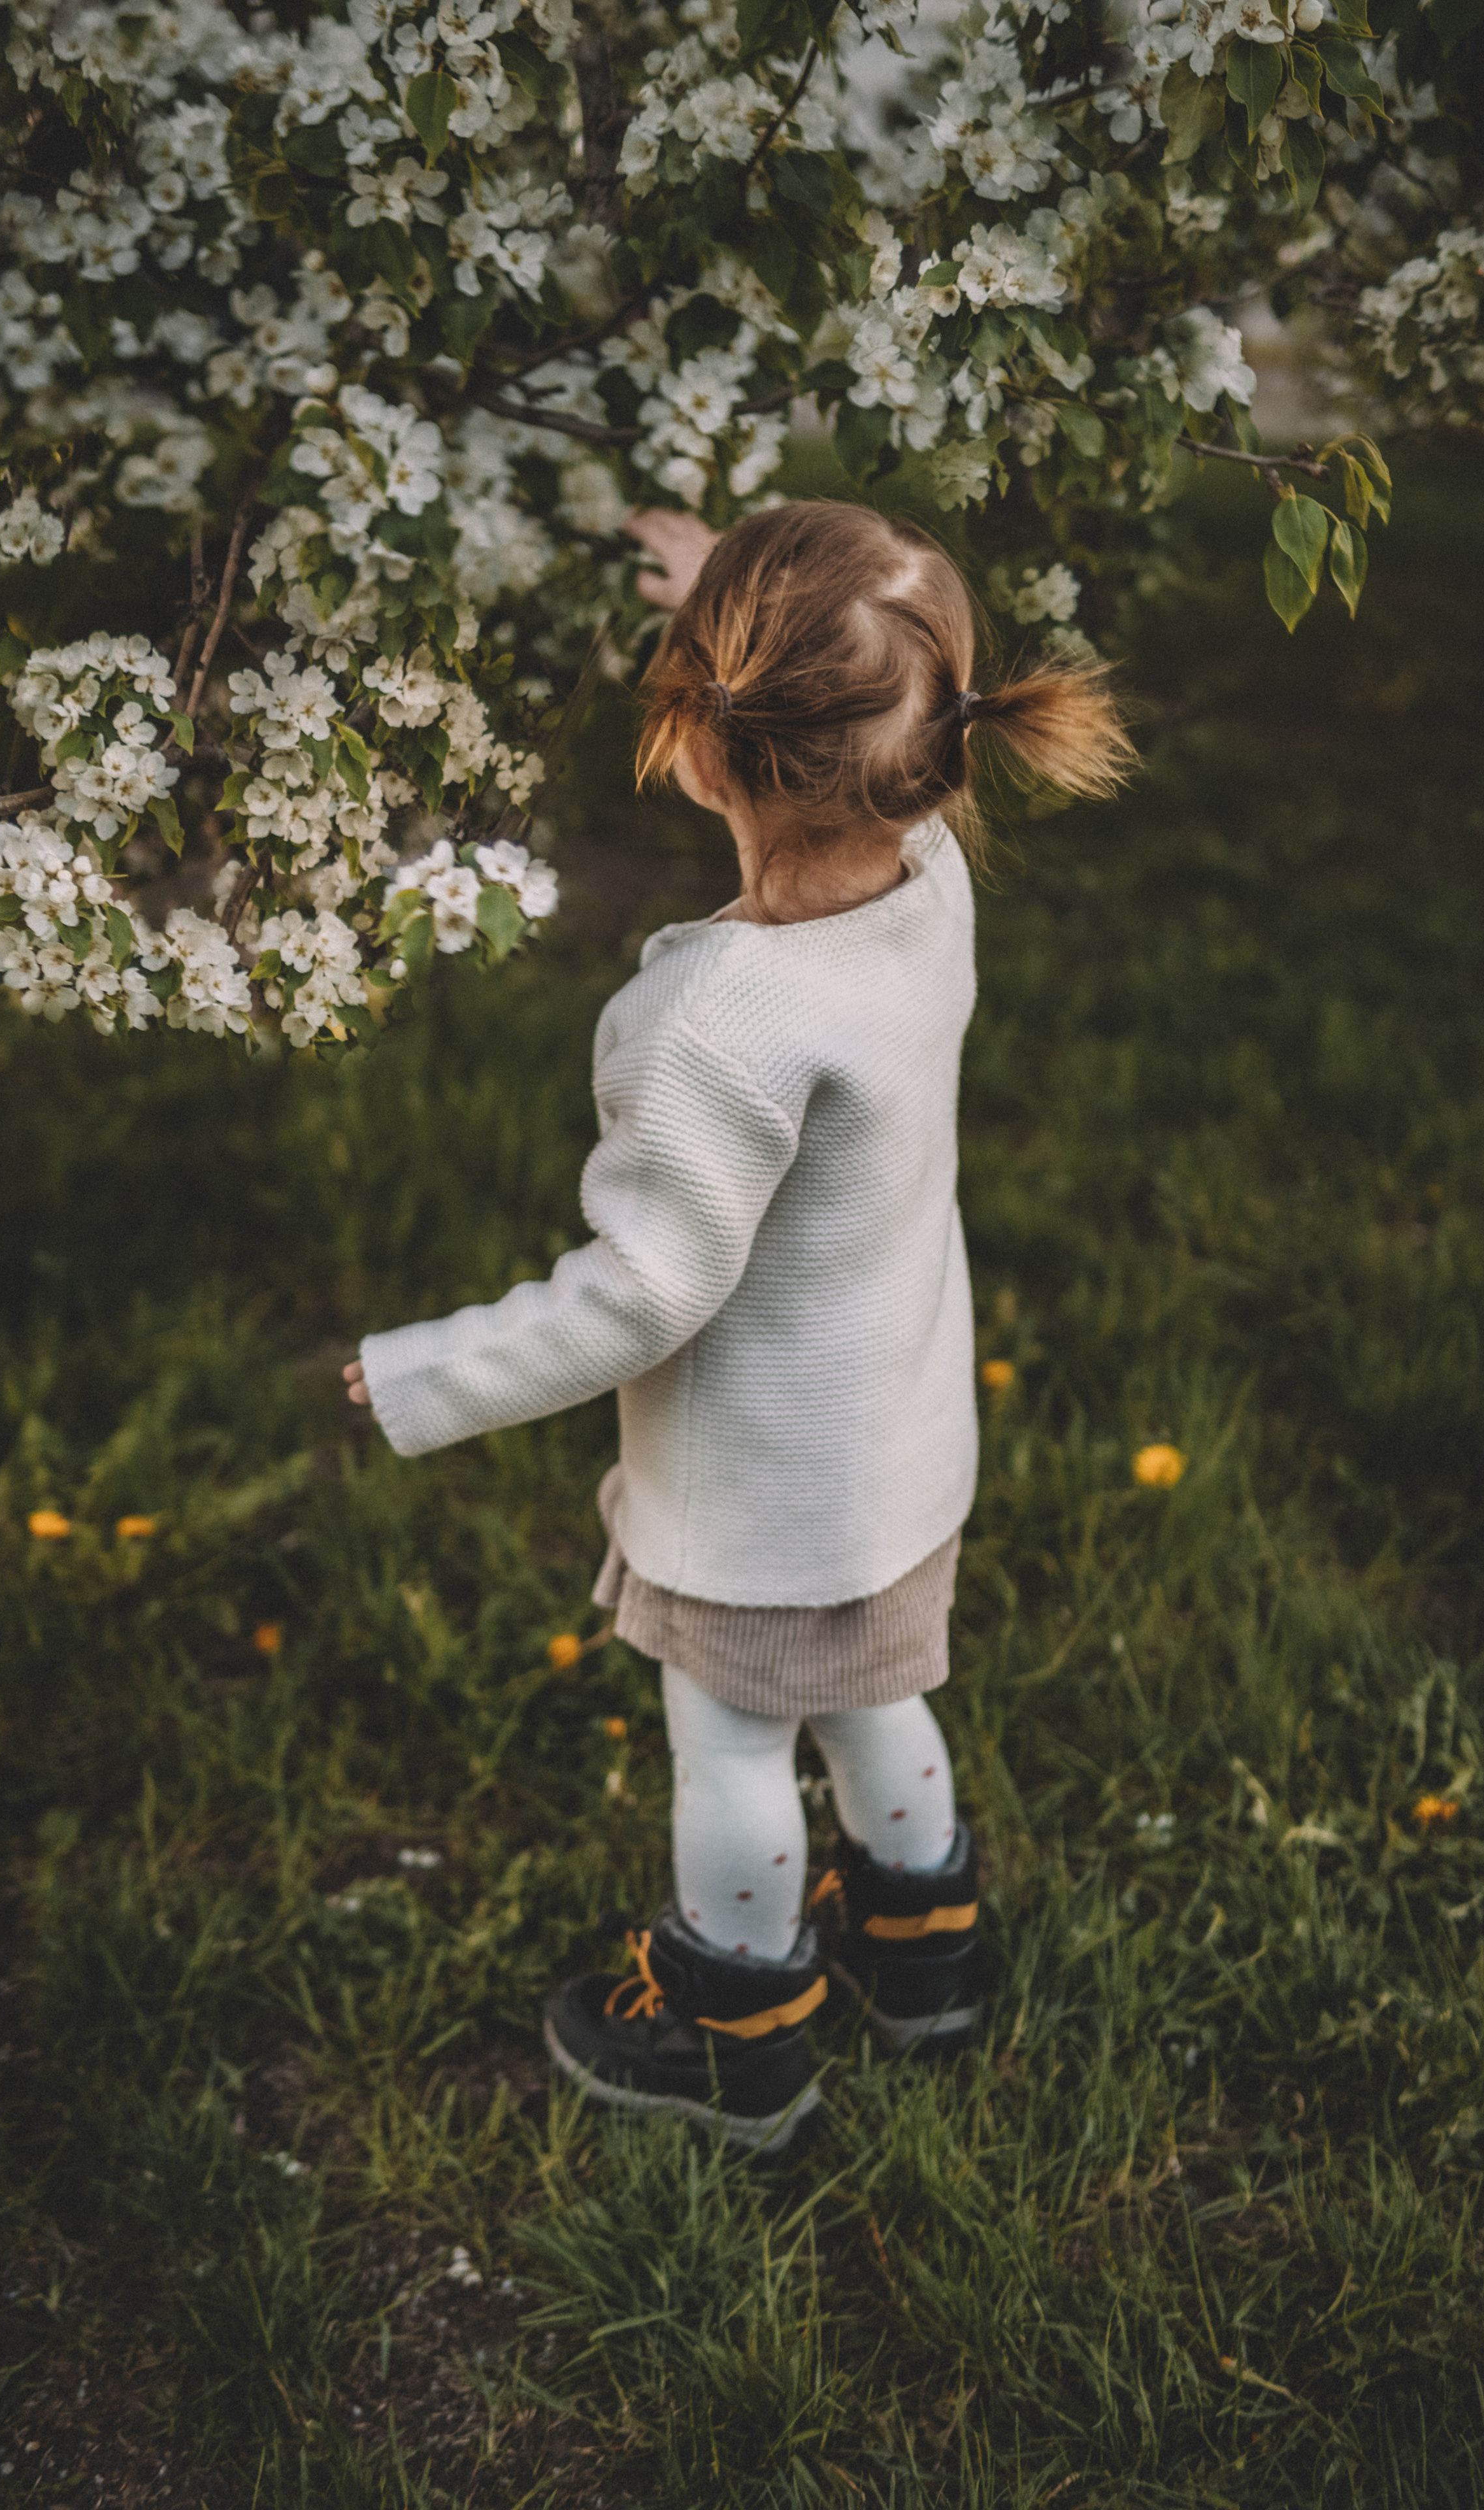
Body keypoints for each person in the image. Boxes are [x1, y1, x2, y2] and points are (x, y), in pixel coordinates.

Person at [344, 501, 1132, 2150]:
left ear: (703, 744)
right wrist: (742, 584)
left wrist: (419, 1374)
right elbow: (865, 667)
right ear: (933, 736)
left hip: (764, 1502)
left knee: (728, 1747)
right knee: (871, 1692)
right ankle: (926, 1955)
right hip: (897, 1451)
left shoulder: (716, 1019)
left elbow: (641, 1290)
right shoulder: (926, 886)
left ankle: (737, 2025)